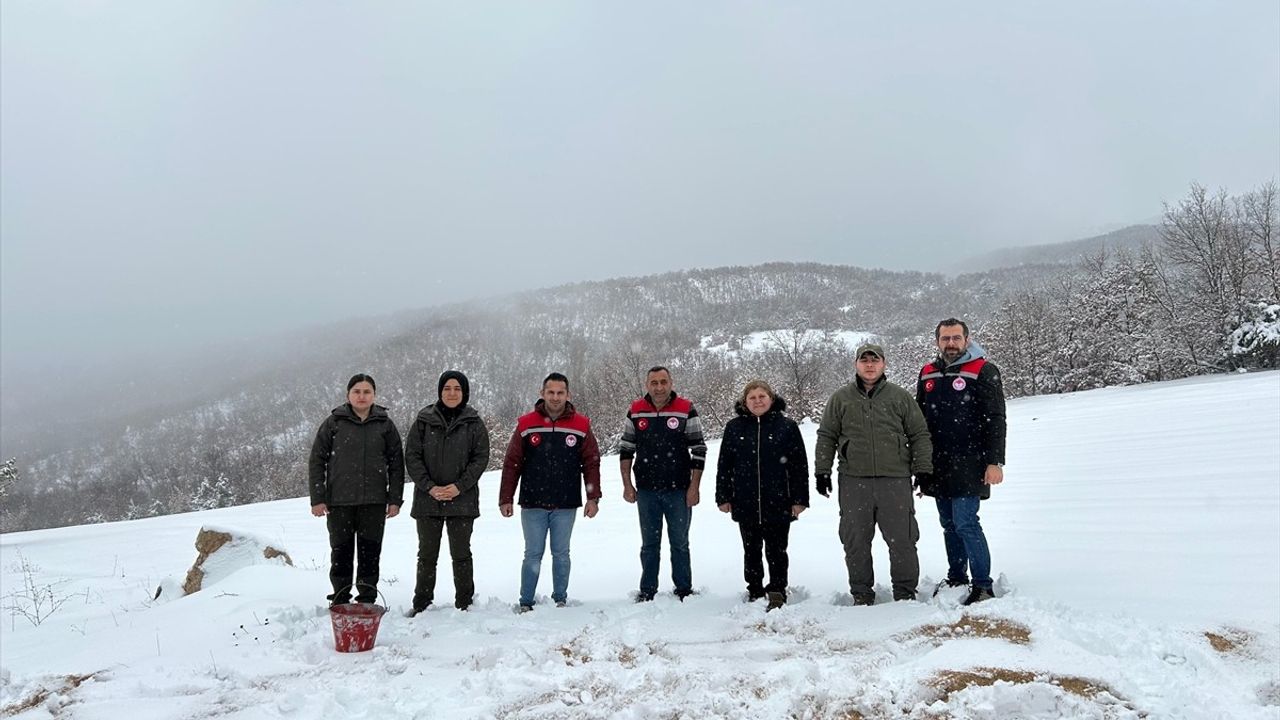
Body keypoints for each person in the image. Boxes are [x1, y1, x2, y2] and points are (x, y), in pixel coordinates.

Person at [815, 343, 933, 605]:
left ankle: (905, 593)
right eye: (864, 360)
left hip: (895, 480)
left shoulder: (900, 397)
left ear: (884, 364)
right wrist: (822, 471)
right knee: (855, 541)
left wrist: (923, 469)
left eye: (875, 360)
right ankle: (861, 593)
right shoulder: (841, 398)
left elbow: (919, 435)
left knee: (902, 539)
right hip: (853, 481)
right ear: (856, 364)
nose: (870, 365)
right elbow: (827, 436)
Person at [916, 318, 1007, 606]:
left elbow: (996, 419)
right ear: (937, 342)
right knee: (948, 524)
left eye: (956, 338)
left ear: (967, 340)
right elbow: (919, 421)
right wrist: (920, 464)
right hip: (937, 463)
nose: (951, 343)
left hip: (971, 462)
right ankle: (957, 576)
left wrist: (995, 462)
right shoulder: (928, 373)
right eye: (946, 338)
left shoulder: (983, 370)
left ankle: (982, 585)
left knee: (966, 522)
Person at [499, 372, 602, 612]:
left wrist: (593, 497)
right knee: (532, 554)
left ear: (568, 394)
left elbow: (591, 462)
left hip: (566, 503)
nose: (555, 397)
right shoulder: (526, 424)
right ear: (542, 393)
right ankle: (526, 601)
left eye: (560, 393)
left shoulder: (581, 424)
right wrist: (506, 497)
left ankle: (560, 599)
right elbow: (512, 462)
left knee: (561, 554)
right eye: (551, 392)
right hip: (533, 502)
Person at [308, 373, 405, 606]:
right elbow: (317, 460)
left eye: (367, 392)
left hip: (374, 502)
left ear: (374, 395)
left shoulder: (384, 425)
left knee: (369, 554)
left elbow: (396, 464)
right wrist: (318, 499)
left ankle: (367, 598)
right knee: (341, 553)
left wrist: (395, 500)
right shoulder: (334, 423)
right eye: (357, 392)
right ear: (348, 395)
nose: (362, 396)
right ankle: (340, 599)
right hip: (339, 502)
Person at [714, 380, 809, 610]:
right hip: (745, 500)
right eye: (752, 397)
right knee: (751, 549)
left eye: (761, 396)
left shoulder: (786, 426)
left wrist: (799, 499)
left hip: (778, 500)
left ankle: (777, 589)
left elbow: (798, 466)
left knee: (777, 549)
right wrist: (723, 496)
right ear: (745, 402)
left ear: (771, 399)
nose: (757, 401)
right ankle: (755, 588)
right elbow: (725, 465)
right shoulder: (734, 427)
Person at [404, 370, 491, 615]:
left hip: (461, 500)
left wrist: (458, 487)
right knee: (427, 555)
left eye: (457, 389)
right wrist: (430, 487)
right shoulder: (423, 420)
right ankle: (421, 603)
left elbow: (480, 458)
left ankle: (464, 603)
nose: (451, 393)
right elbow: (412, 456)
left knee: (461, 554)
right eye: (447, 388)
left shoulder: (473, 422)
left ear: (464, 392)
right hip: (427, 499)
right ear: (440, 391)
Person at [618, 366, 708, 602]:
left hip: (679, 490)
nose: (659, 387)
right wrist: (627, 485)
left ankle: (684, 589)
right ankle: (647, 590)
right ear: (647, 385)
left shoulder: (686, 409)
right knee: (649, 545)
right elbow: (626, 449)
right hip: (647, 491)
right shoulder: (635, 410)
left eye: (663, 382)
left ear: (671, 382)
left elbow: (698, 448)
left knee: (680, 543)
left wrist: (694, 487)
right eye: (654, 382)